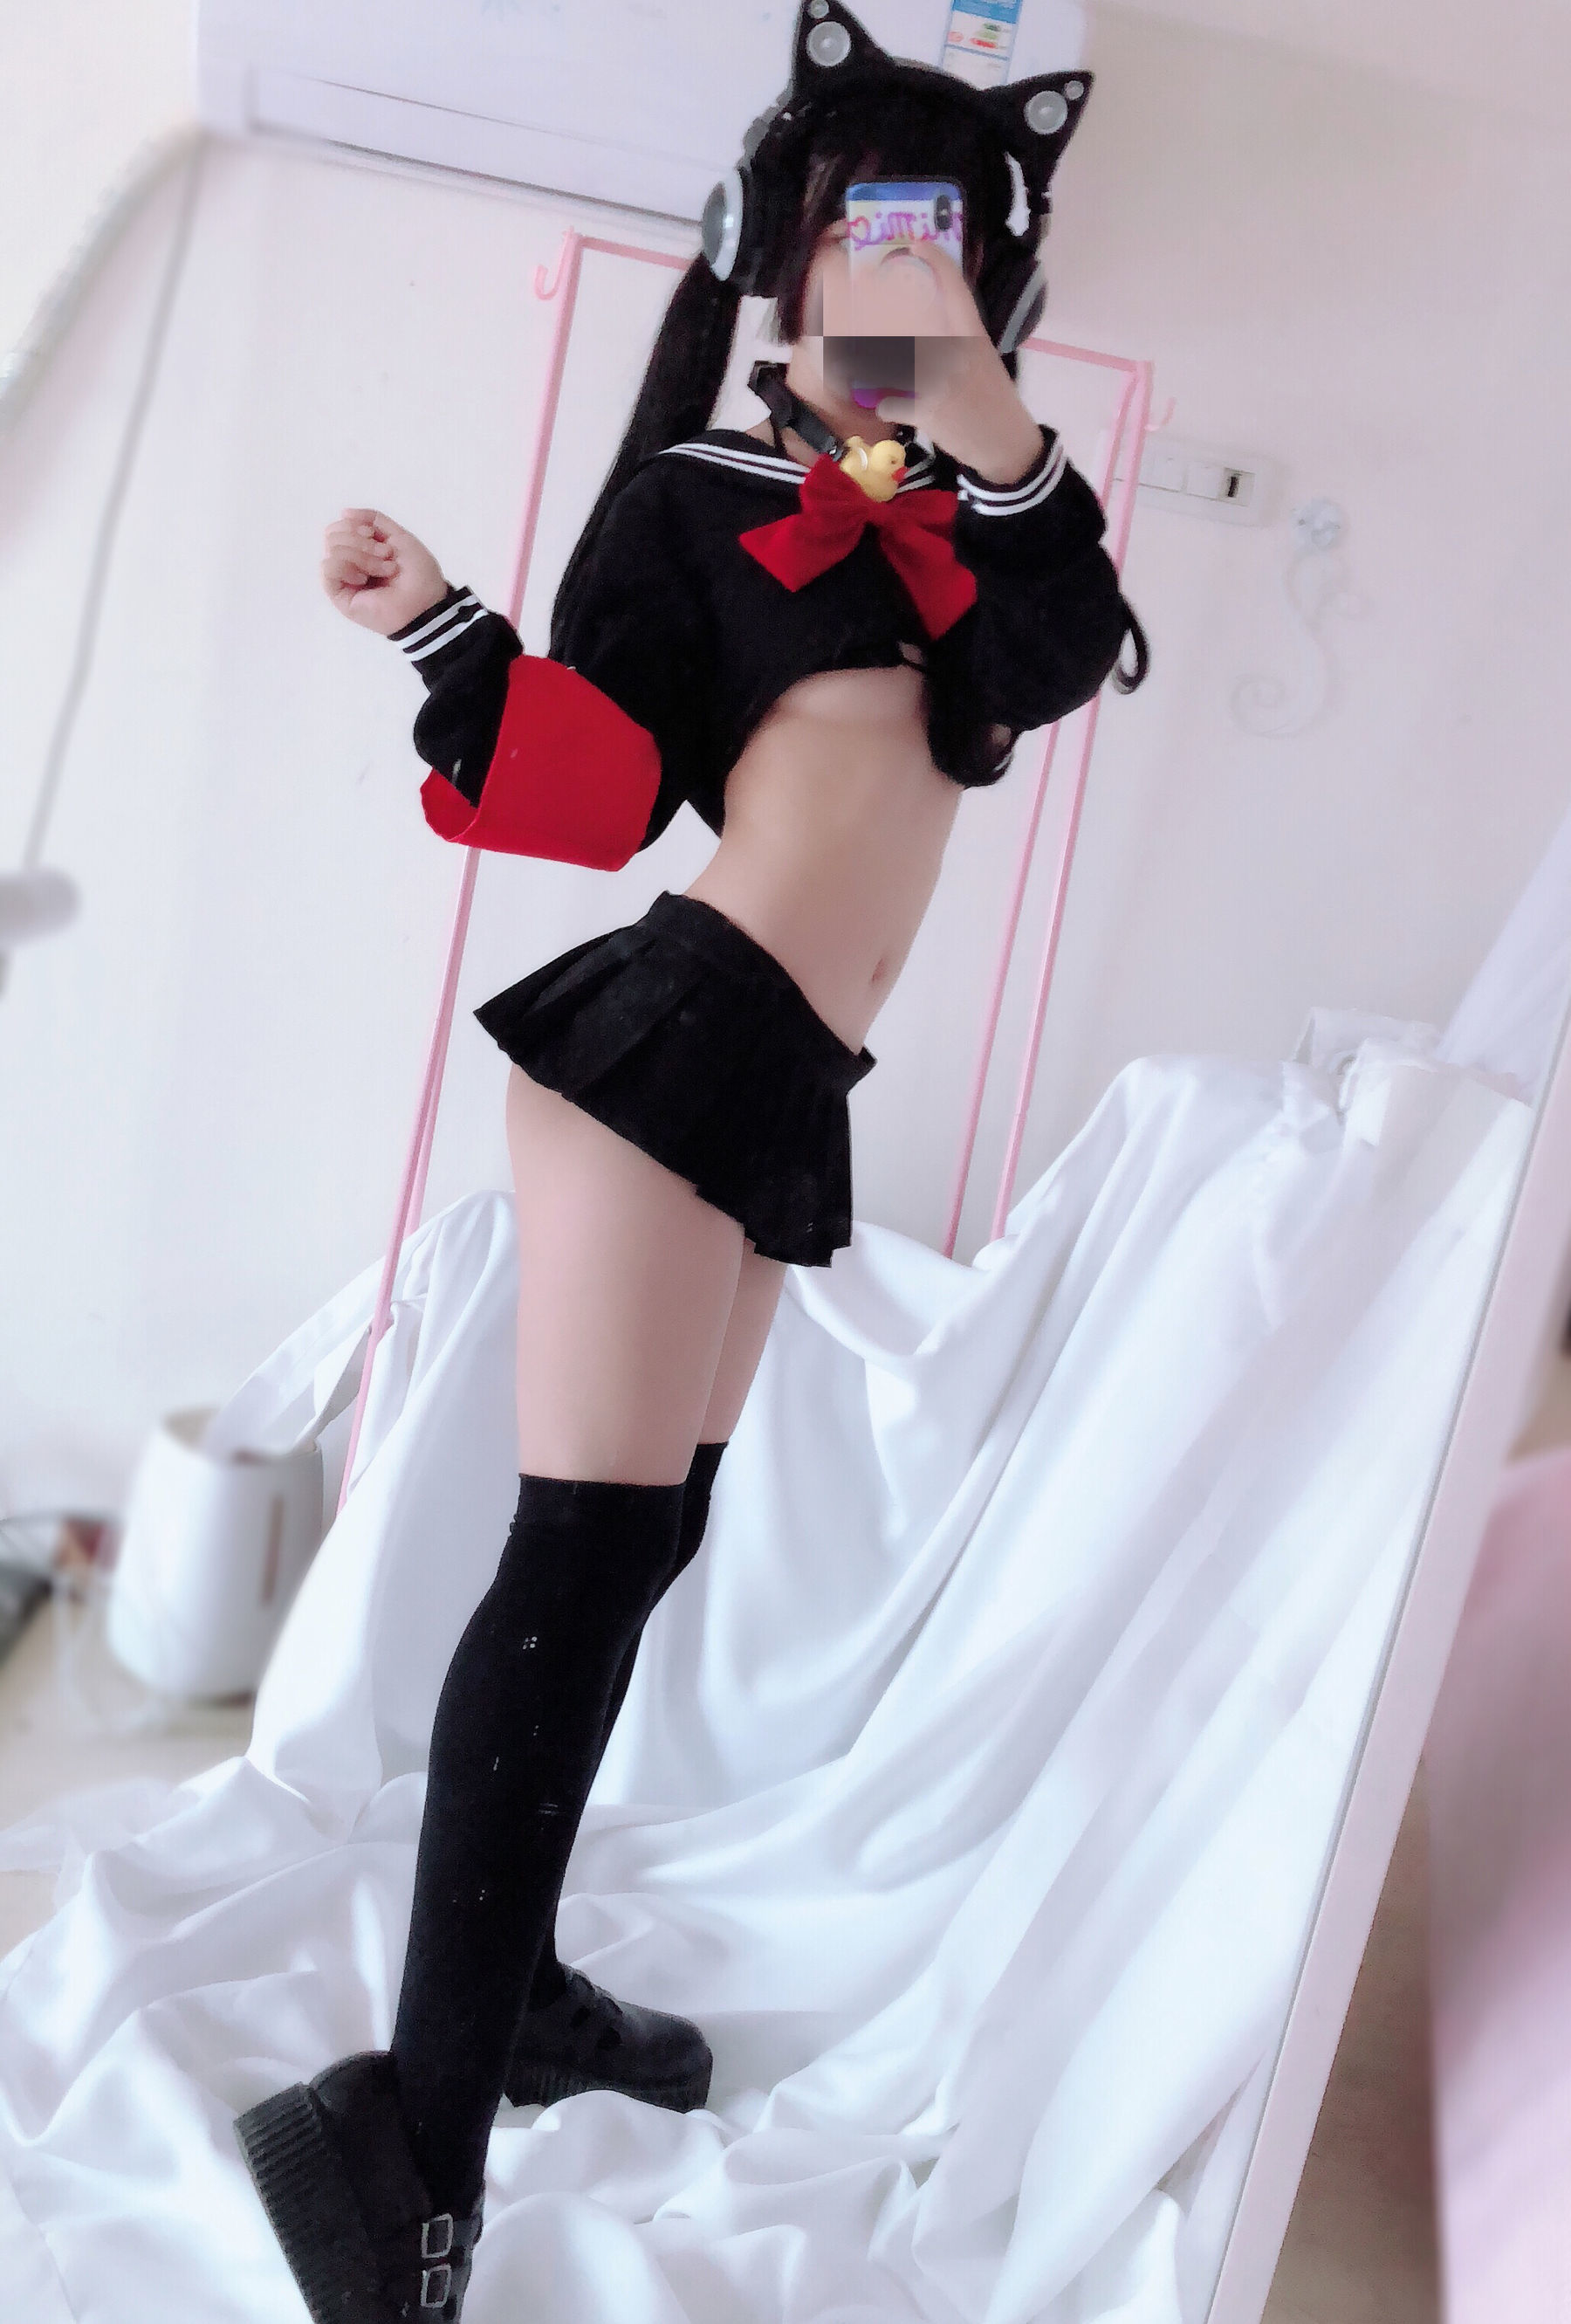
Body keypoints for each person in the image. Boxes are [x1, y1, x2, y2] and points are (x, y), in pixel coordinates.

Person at [233, 5, 1147, 2316]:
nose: (895, 263)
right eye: (860, 220)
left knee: (645, 1549)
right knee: (574, 1566)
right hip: (665, 1052)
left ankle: (516, 1987)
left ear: (996, 275)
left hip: (773, 1083)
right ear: (778, 241)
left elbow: (1063, 644)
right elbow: (596, 791)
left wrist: (953, 399)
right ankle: (412, 2157)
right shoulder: (697, 502)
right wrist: (442, 629)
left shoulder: (971, 528)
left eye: (939, 230)